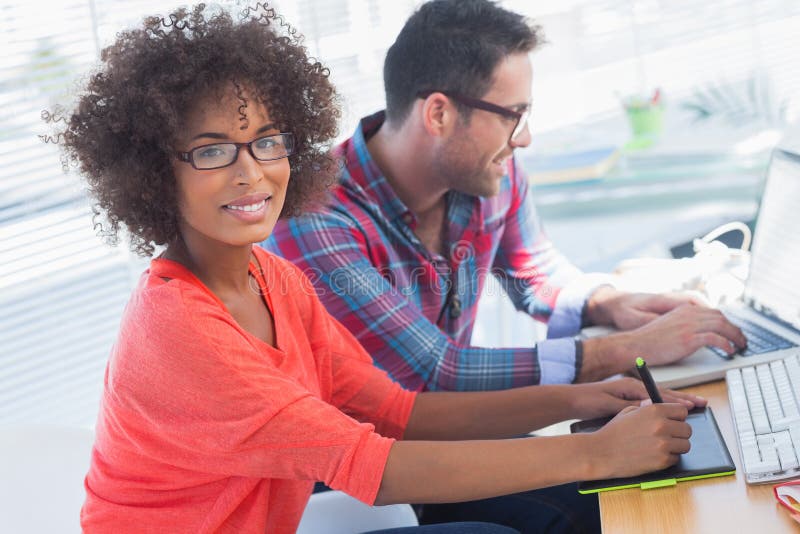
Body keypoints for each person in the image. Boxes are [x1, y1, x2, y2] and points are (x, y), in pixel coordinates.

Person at [49, 4, 706, 533]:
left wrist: (586, 401)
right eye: (213, 150)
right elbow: (375, 465)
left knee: (585, 503)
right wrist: (598, 446)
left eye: (268, 142)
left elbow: (398, 411)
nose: (252, 173)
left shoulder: (272, 281)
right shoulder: (179, 329)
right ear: (152, 171)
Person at [264, 0, 747, 391]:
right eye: (512, 115)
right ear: (438, 115)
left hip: (465, 432)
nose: (524, 138)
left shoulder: (487, 171)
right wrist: (632, 348)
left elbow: (531, 273)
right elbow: (437, 370)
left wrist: (610, 302)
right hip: (370, 472)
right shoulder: (313, 215)